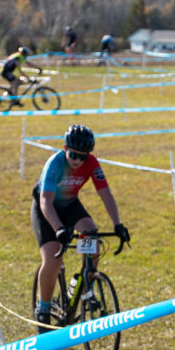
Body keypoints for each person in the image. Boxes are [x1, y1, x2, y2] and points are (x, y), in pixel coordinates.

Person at [32, 125, 131, 333]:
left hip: (70, 206)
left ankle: (82, 286)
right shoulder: (55, 164)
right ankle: (43, 308)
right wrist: (59, 229)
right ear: (65, 149)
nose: (77, 160)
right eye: (73, 155)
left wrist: (117, 224)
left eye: (83, 156)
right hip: (47, 209)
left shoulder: (92, 163)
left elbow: (105, 193)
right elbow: (45, 201)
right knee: (53, 257)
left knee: (92, 238)